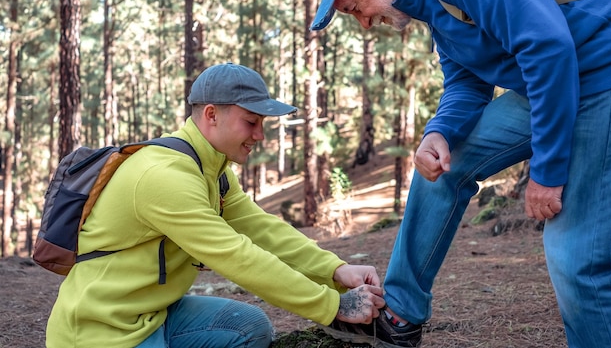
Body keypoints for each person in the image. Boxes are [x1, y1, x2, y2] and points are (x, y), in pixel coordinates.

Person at [310, 0, 611, 347]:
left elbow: (547, 47)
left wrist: (546, 173)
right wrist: (438, 133)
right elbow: (467, 78)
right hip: (551, 84)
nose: (365, 22)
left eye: (353, 8)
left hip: (606, 73)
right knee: (441, 169)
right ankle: (400, 313)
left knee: (575, 258)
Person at [46, 62, 386, 348]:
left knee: (248, 327)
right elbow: (237, 256)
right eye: (251, 122)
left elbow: (263, 230)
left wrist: (336, 271)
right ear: (211, 115)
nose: (259, 135)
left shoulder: (212, 170)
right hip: (102, 331)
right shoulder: (164, 177)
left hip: (153, 314)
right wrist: (332, 305)